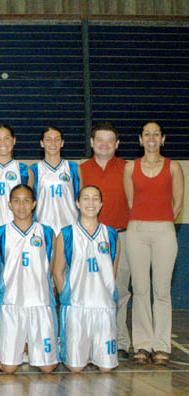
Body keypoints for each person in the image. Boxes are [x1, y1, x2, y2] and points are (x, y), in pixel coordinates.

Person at [123, 121, 184, 365]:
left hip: (165, 231)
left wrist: (163, 221)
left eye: (155, 134)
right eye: (146, 134)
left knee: (161, 290)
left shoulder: (174, 167)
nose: (151, 138)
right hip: (136, 229)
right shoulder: (130, 168)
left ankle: (161, 346)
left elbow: (178, 203)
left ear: (162, 139)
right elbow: (130, 202)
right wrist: (143, 220)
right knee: (140, 289)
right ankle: (143, 345)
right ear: (140, 139)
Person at [53, 185, 120, 373]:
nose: (90, 203)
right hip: (76, 308)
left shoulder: (111, 234)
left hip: (103, 308)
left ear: (101, 204)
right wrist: (68, 297)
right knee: (75, 368)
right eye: (86, 198)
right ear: (77, 203)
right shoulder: (66, 234)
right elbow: (58, 272)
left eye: (95, 199)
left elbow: (111, 271)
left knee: (106, 369)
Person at [0, 184, 58, 374]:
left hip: (40, 303)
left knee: (47, 368)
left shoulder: (47, 232)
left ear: (34, 204)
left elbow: (51, 269)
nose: (21, 205)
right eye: (16, 201)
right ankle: (1, 352)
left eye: (26, 200)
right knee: (9, 368)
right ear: (9, 205)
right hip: (11, 304)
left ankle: (33, 348)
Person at [80, 122, 131, 360]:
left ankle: (119, 341)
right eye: (99, 139)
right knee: (87, 291)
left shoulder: (128, 168)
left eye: (110, 140)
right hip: (87, 239)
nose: (104, 144)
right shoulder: (79, 170)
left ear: (117, 144)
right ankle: (86, 342)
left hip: (120, 235)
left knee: (118, 290)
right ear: (91, 142)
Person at [30, 126, 82, 235]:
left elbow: (81, 201)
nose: (53, 143)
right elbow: (29, 202)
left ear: (62, 143)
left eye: (57, 139)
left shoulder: (73, 168)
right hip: (43, 227)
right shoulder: (34, 170)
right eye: (48, 139)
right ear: (42, 143)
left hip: (70, 226)